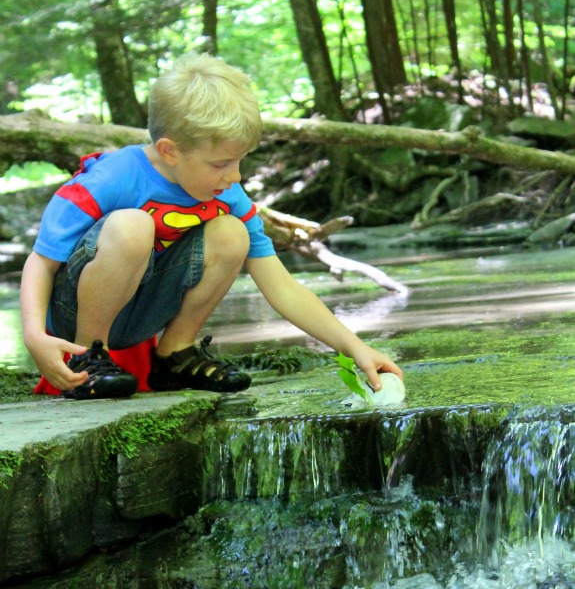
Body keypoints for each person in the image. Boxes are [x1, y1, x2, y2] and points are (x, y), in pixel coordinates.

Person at [20, 52, 403, 400]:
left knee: (231, 231)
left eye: (240, 161)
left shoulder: (226, 196)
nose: (233, 176)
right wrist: (36, 337)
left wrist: (354, 346)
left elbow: (281, 285)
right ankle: (88, 360)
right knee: (132, 227)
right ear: (170, 150)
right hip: (74, 318)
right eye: (220, 164)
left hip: (141, 312)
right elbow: (41, 263)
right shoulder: (112, 178)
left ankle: (176, 354)